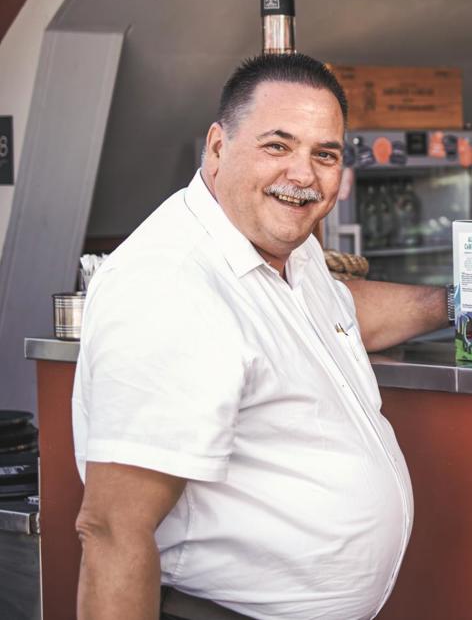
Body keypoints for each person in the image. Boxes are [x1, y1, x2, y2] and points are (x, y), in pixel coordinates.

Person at [72, 53, 451, 619]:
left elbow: (338, 312)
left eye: (324, 155)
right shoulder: (173, 288)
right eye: (278, 146)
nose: (303, 175)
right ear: (219, 147)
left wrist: (462, 304)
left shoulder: (287, 253)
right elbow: (110, 531)